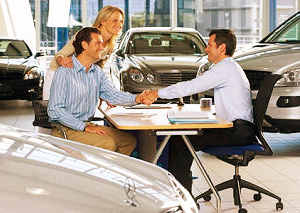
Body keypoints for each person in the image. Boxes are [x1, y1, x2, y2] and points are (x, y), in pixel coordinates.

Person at [142, 29, 255, 193]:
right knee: (183, 137)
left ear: (222, 47)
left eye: (209, 45)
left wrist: (156, 93)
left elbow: (192, 86)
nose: (206, 49)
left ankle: (182, 195)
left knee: (181, 140)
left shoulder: (225, 69)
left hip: (238, 131)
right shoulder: (228, 67)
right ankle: (180, 190)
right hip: (237, 128)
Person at [48, 27, 150, 156]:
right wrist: (84, 127)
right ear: (84, 45)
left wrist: (138, 98)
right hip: (66, 128)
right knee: (108, 144)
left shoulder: (96, 72)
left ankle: (111, 174)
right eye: (98, 43)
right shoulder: (65, 71)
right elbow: (54, 110)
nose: (102, 47)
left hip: (87, 124)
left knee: (128, 141)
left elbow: (113, 96)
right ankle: (97, 174)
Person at [44, 5, 124, 101]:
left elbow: (98, 72)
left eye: (121, 21)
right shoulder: (86, 34)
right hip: (57, 75)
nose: (119, 24)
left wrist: (103, 95)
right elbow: (60, 55)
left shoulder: (110, 45)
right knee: (50, 111)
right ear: (103, 21)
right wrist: (62, 60)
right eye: (115, 20)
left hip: (75, 82)